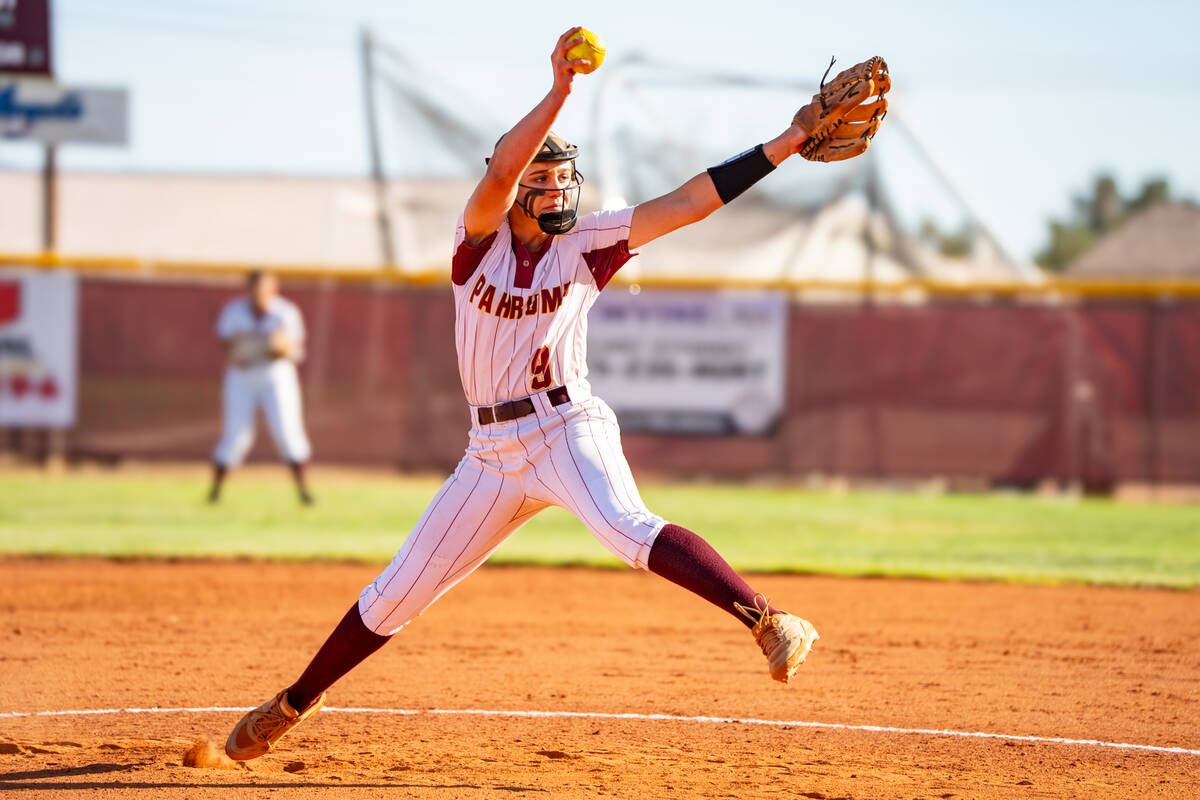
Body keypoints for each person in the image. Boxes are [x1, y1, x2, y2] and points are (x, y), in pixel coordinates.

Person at [225, 26, 838, 761]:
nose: (557, 189)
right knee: (396, 593)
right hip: (488, 454)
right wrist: (559, 91)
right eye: (541, 181)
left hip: (566, 425)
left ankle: (769, 621)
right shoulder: (477, 240)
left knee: (625, 528)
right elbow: (497, 176)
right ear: (514, 191)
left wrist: (787, 140)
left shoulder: (591, 241)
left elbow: (688, 202)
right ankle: (294, 702)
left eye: (561, 179)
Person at [207, 270, 315, 506]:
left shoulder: (285, 313)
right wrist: (244, 352)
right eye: (255, 289)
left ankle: (304, 492)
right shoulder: (235, 312)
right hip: (242, 376)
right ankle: (214, 494)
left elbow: (293, 349)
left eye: (264, 289)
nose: (259, 295)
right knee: (236, 436)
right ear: (248, 290)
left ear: (273, 290)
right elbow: (227, 350)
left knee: (287, 432)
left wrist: (279, 347)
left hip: (276, 375)